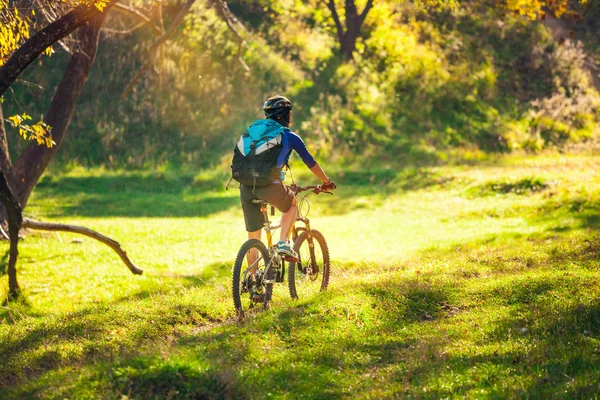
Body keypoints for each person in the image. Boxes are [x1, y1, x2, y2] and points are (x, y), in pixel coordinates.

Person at [240, 95, 336, 270]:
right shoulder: (289, 136)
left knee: (253, 237)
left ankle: (252, 282)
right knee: (292, 203)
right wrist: (326, 181)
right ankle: (284, 243)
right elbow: (310, 162)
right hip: (269, 186)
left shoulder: (255, 132)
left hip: (246, 187)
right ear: (286, 115)